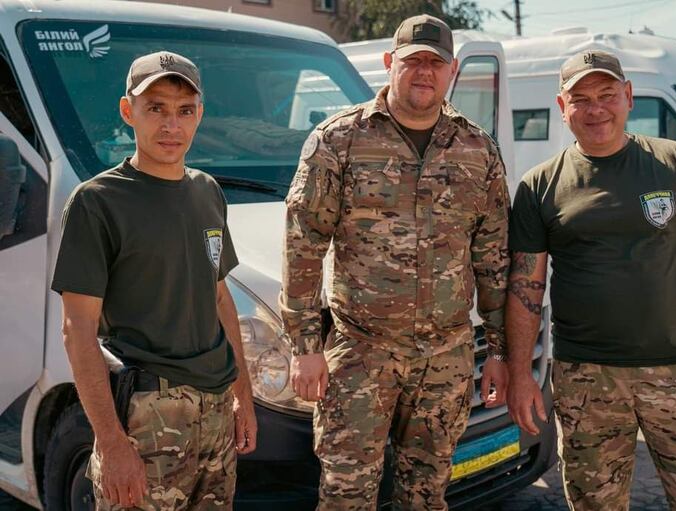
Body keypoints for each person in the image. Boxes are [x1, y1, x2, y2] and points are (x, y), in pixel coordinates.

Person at [504, 49, 676, 510]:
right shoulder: (539, 185)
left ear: (629, 97)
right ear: (562, 107)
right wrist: (521, 374)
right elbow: (526, 289)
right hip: (585, 379)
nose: (595, 108)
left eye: (606, 94)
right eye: (580, 98)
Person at [281, 14, 510, 510]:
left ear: (451, 72)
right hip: (361, 351)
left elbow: (493, 257)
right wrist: (304, 345)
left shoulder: (478, 151)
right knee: (347, 495)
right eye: (412, 62)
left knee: (427, 495)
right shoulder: (338, 141)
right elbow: (303, 243)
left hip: (445, 356)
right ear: (390, 64)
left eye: (435, 63)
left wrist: (497, 351)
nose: (424, 73)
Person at [51, 51, 257, 510]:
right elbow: (77, 331)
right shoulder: (97, 203)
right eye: (156, 108)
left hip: (217, 413)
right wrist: (110, 441)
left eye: (185, 111)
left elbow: (220, 296)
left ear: (200, 115)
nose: (172, 125)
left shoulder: (207, 192)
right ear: (129, 112)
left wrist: (242, 392)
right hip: (146, 420)